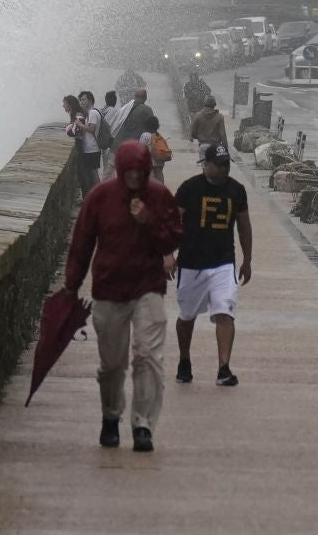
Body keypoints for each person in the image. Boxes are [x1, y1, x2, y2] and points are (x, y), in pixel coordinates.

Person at [64, 141, 183, 453]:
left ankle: (143, 425)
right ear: (119, 170)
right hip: (110, 288)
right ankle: (111, 416)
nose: (134, 177)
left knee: (147, 356)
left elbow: (174, 237)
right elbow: (82, 243)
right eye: (128, 172)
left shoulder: (157, 196)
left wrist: (148, 221)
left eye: (139, 172)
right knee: (112, 365)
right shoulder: (100, 197)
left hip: (148, 286)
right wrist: (71, 286)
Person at [173, 144, 252, 387]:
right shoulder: (189, 188)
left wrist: (247, 260)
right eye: (218, 164)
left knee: (225, 312)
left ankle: (224, 368)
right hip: (191, 262)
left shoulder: (236, 191)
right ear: (205, 164)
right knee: (187, 316)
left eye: (226, 163)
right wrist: (167, 253)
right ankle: (184, 360)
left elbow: (244, 226)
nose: (223, 168)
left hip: (223, 262)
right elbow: (172, 222)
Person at [76, 91, 102, 197]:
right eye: (80, 100)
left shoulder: (92, 113)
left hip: (92, 148)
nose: (81, 102)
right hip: (91, 148)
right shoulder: (90, 113)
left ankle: (99, 195)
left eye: (83, 99)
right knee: (92, 172)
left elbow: (92, 128)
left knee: (93, 173)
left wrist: (80, 124)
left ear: (90, 100)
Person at [190, 95, 229, 159]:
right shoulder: (220, 117)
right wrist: (225, 148)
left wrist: (201, 136)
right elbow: (223, 134)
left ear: (204, 104)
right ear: (214, 105)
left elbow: (193, 134)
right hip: (216, 146)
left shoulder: (198, 116)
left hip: (203, 146)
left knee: (205, 167)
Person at [139, 115, 167, 183]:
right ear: (157, 126)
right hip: (159, 164)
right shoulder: (158, 135)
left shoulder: (145, 135)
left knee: (150, 185)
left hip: (149, 165)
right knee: (160, 184)